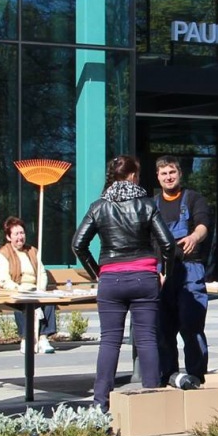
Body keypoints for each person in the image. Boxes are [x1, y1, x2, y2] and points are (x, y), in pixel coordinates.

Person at [72, 155, 175, 410]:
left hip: (111, 278)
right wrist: (165, 272)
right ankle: (153, 404)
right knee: (147, 339)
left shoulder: (99, 206)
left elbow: (78, 244)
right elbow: (168, 244)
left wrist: (97, 272)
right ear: (132, 176)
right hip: (144, 276)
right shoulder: (147, 204)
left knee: (109, 341)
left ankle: (100, 404)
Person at [154, 156, 211, 386]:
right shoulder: (152, 204)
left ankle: (197, 376)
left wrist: (195, 237)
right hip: (162, 271)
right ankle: (170, 376)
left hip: (190, 270)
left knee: (192, 326)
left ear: (180, 174)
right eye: (163, 173)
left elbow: (202, 225)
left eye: (172, 172)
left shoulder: (194, 199)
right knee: (163, 330)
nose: (168, 177)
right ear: (158, 177)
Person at [0, 215, 57, 354]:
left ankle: (43, 338)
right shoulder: (3, 254)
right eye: (16, 234)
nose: (20, 237)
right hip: (15, 291)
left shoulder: (33, 251)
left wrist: (40, 289)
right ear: (9, 237)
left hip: (35, 290)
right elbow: (4, 280)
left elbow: (42, 273)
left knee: (49, 300)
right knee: (23, 302)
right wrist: (20, 289)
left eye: (22, 233)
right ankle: (26, 339)